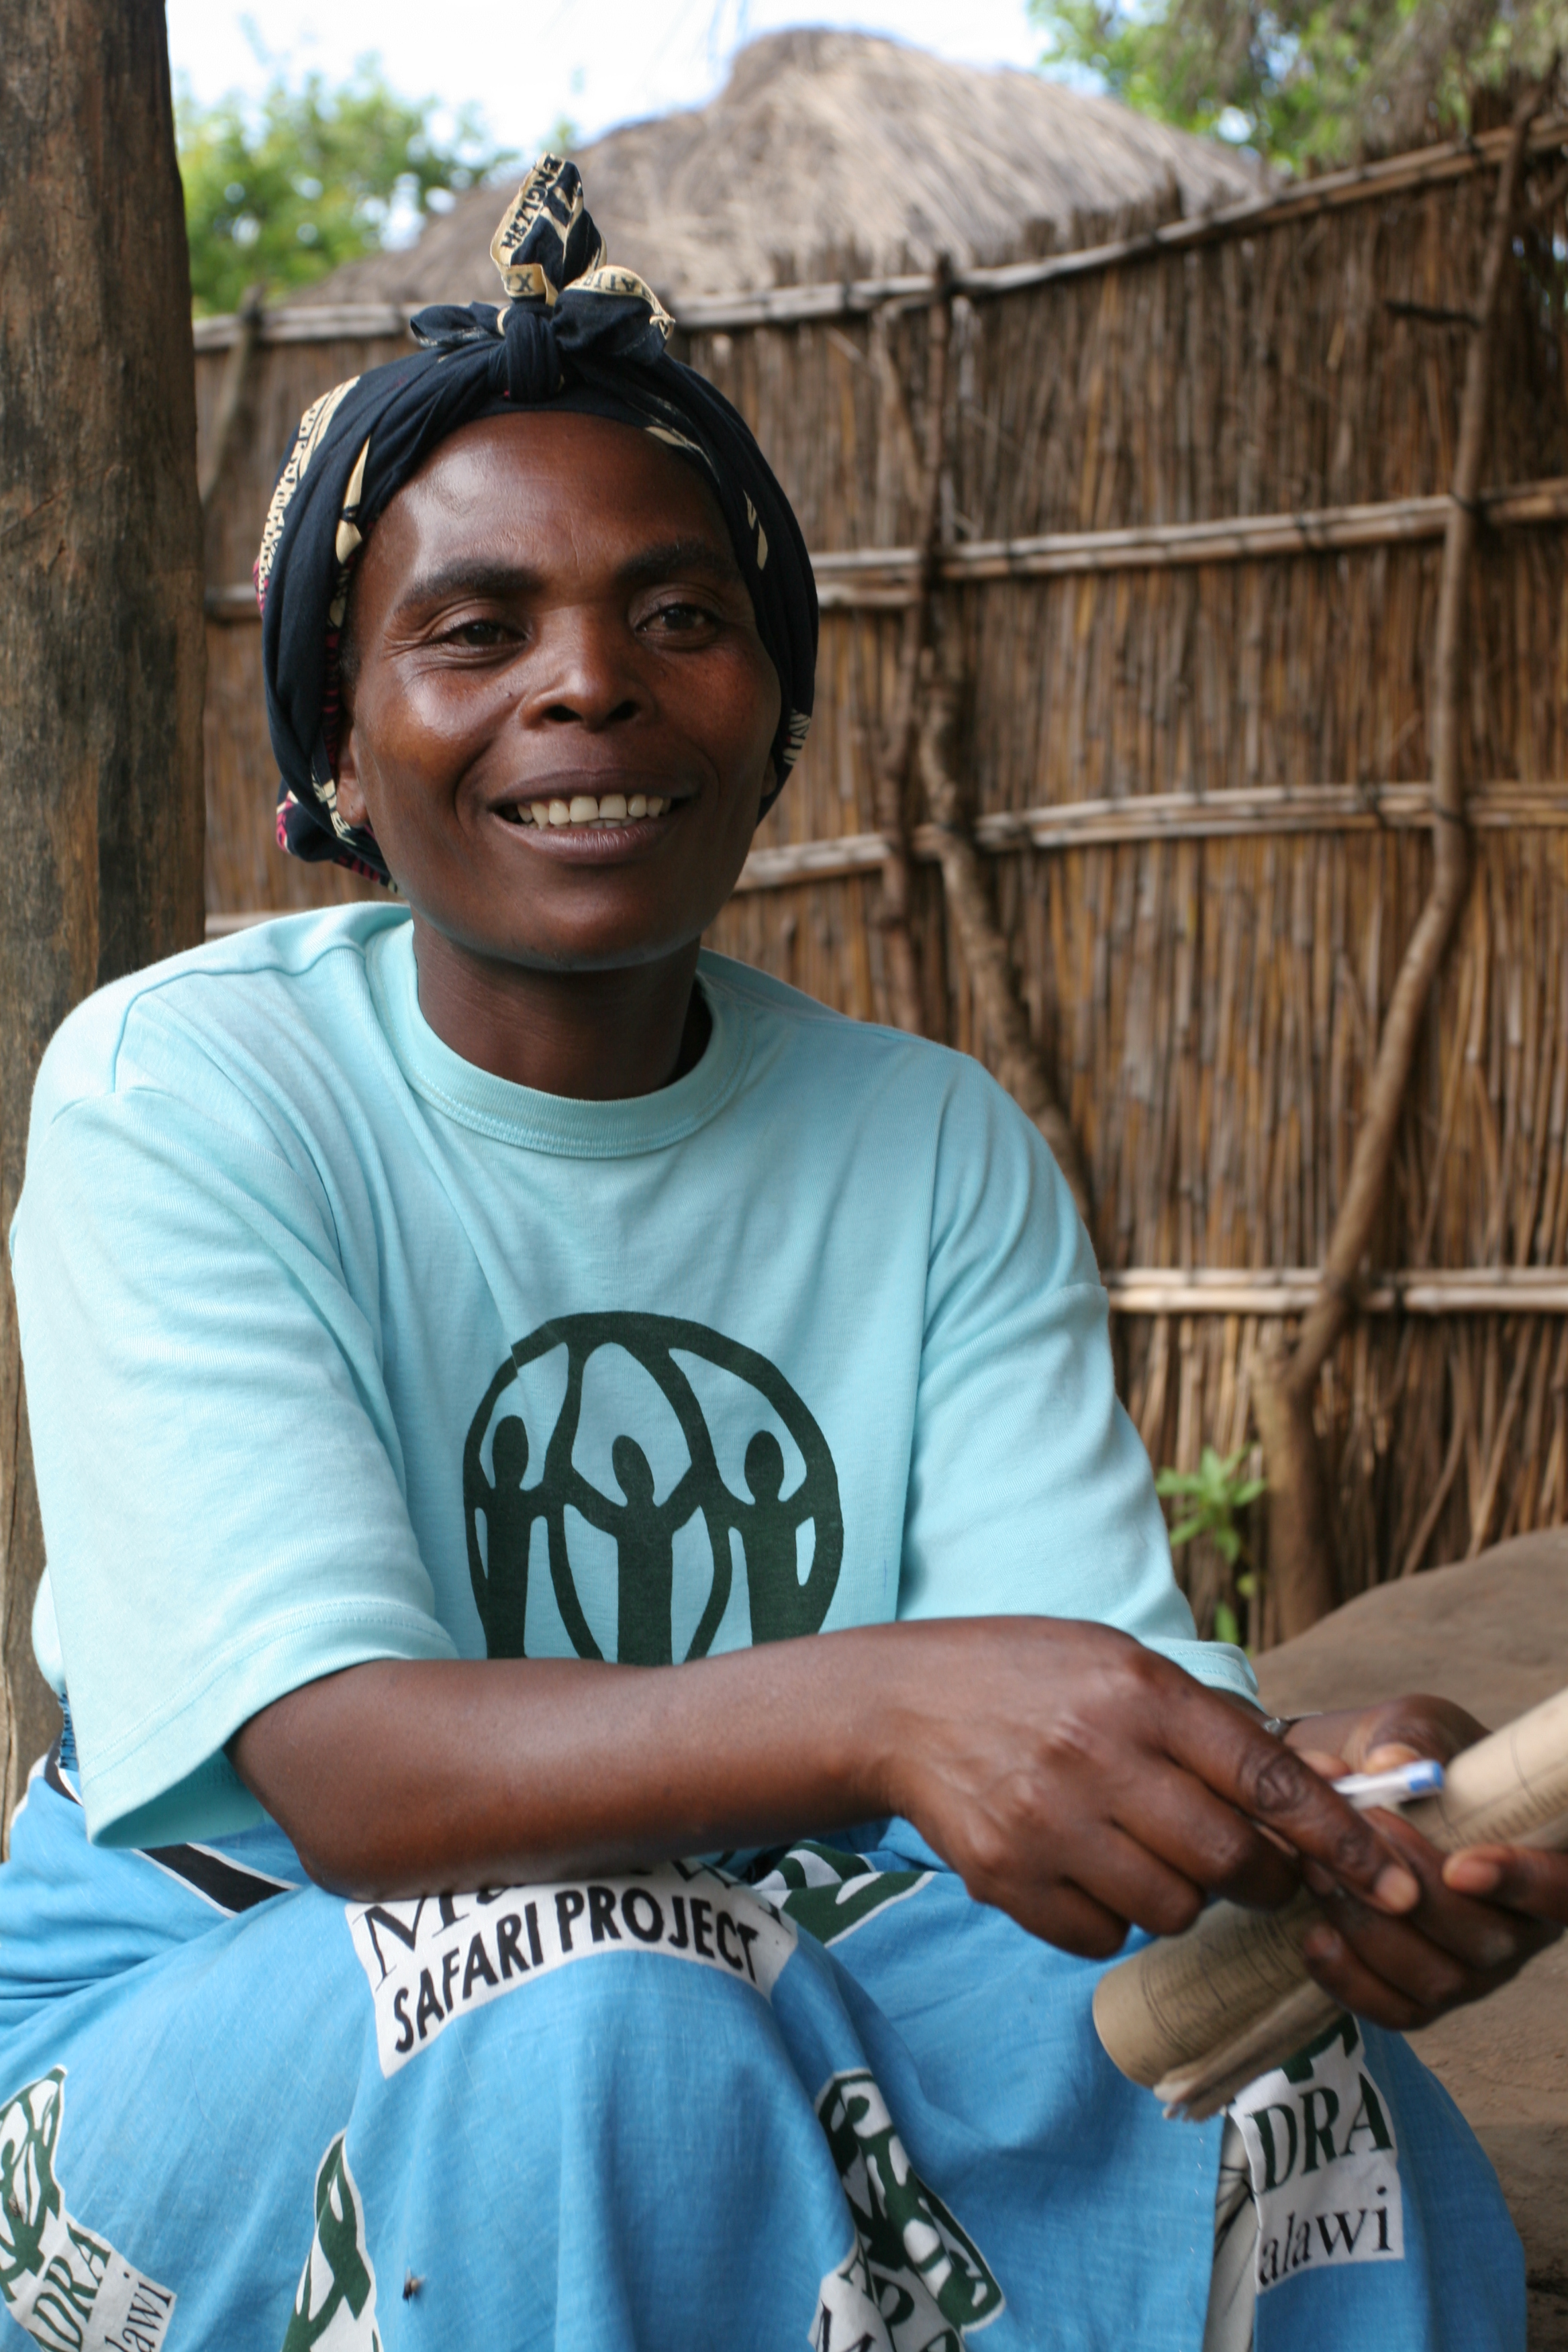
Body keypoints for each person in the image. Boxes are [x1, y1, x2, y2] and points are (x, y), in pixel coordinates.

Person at [1, 158, 1561, 2352]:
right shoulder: (184, 1093)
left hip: (797, 1968)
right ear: (331, 745)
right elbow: (351, 1775)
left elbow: (1070, 1690)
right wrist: (889, 1706)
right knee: (609, 2023)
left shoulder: (927, 1140)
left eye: (679, 614)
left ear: (773, 712)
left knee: (1280, 2068)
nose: (591, 687)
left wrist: (1315, 1811)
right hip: (218, 2029)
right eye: (472, 630)